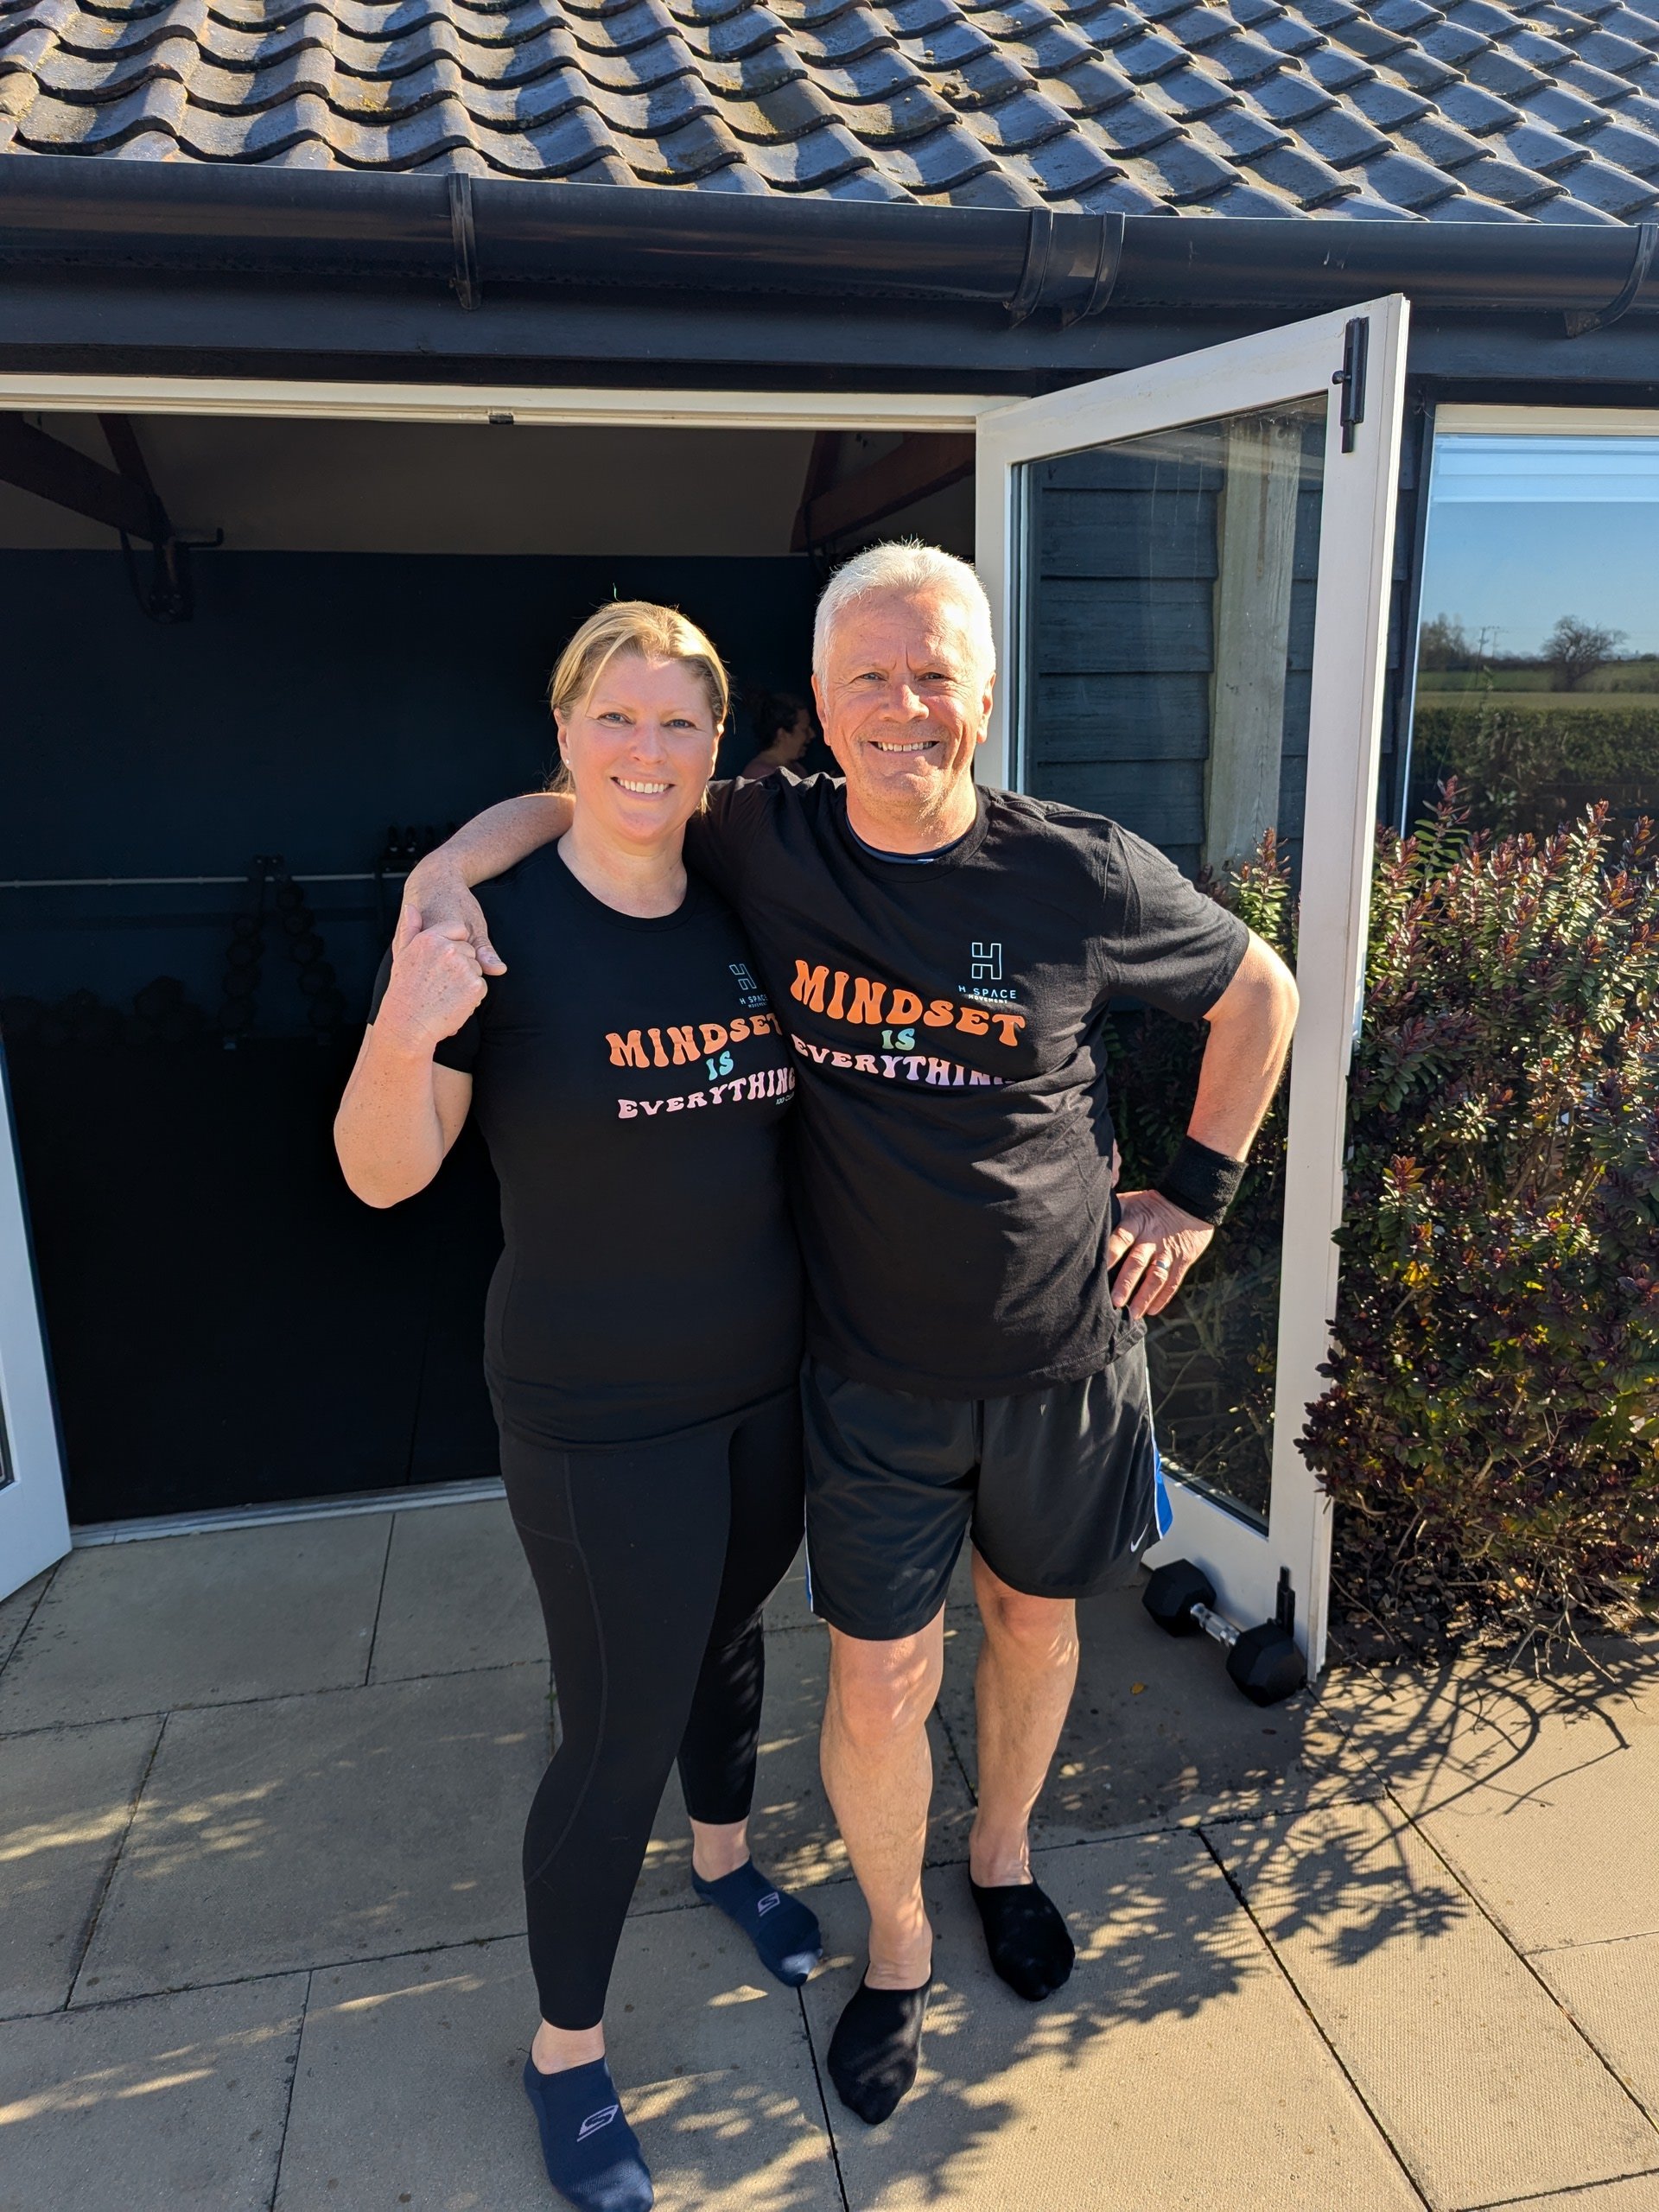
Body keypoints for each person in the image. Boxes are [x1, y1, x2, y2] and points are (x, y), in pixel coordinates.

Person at [404, 543, 1300, 2130]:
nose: (904, 707)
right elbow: (590, 793)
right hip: (866, 1371)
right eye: (869, 678)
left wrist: (1195, 1197)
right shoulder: (766, 833)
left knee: (1034, 1629)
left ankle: (1002, 1858)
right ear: (818, 707)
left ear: (985, 698)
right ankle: (897, 1947)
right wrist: (442, 879)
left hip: (1066, 1358)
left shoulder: (1082, 871)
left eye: (936, 674)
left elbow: (1262, 995)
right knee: (882, 1682)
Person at [334, 601, 821, 2212]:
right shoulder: (493, 933)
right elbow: (382, 1173)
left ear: (715, 745)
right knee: (615, 1733)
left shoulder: (744, 889)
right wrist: (406, 1015)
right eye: (615, 717)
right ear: (563, 732)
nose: (647, 751)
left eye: (679, 722)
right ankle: (566, 2051)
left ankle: (727, 1858)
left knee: (731, 1636)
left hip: (765, 1380)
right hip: (598, 1411)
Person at [741, 688, 817, 780]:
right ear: (782, 734)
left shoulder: (799, 769)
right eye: (804, 729)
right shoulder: (761, 776)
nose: (812, 735)